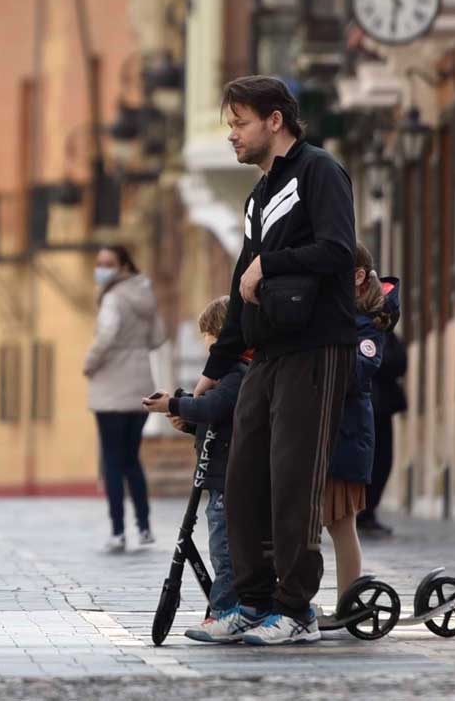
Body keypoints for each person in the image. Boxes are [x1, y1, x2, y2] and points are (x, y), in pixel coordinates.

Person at [188, 76, 359, 647]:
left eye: (239, 123)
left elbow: (338, 250)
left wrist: (272, 263)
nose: (232, 136)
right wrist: (216, 366)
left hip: (316, 350)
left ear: (275, 121)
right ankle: (253, 602)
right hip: (266, 356)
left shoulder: (320, 171)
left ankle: (297, 610)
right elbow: (241, 291)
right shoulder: (258, 196)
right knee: (242, 482)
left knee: (293, 482)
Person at [143, 297, 247, 626]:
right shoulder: (227, 375)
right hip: (218, 478)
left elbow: (215, 409)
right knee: (222, 546)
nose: (204, 344)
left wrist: (175, 404)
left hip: (229, 481)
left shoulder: (237, 373)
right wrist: (185, 417)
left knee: (224, 550)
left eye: (208, 336)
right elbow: (212, 419)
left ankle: (224, 612)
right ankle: (223, 606)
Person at [319, 245, 391, 619]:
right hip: (330, 436)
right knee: (329, 523)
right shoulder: (345, 319)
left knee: (340, 524)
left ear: (358, 276)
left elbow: (356, 373)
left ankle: (346, 603)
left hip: (345, 439)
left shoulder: (368, 327)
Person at [82, 243, 159, 552]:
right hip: (140, 383)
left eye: (108, 263)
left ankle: (118, 531)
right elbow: (158, 337)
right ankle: (144, 526)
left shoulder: (113, 299)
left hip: (111, 386)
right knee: (132, 458)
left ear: (124, 265)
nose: (101, 268)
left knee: (112, 460)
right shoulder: (145, 295)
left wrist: (90, 363)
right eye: (98, 262)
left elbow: (106, 336)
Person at [361, 267, 406, 539]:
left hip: (382, 405)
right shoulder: (362, 326)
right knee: (370, 460)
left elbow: (399, 361)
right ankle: (362, 512)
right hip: (368, 403)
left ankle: (368, 511)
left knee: (383, 460)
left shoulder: (385, 326)